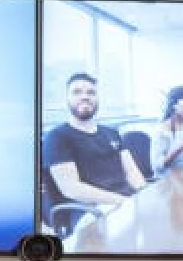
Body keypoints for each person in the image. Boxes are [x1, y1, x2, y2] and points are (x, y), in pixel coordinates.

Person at [43, 72, 146, 207]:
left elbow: (131, 172)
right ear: (66, 99)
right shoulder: (57, 137)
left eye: (91, 93)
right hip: (89, 209)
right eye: (77, 92)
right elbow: (72, 189)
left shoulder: (112, 133)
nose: (85, 97)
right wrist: (125, 203)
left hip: (124, 201)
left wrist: (144, 195)